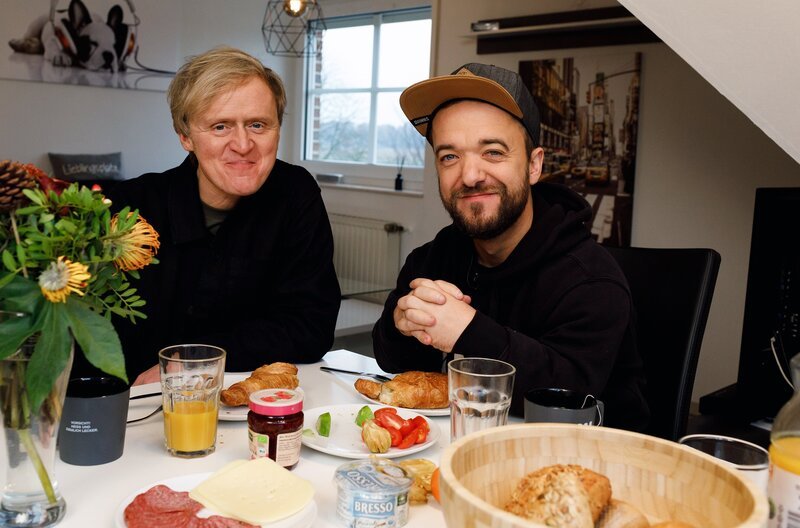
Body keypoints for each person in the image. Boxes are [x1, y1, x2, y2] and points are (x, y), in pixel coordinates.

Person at [372, 63, 648, 430]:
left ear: (534, 167)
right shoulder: (432, 258)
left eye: (493, 152)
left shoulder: (591, 278)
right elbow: (391, 361)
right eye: (449, 157)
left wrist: (469, 331)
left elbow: (568, 394)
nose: (469, 176)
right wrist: (401, 324)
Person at [105, 47, 341, 385]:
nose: (243, 144)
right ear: (185, 136)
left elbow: (311, 327)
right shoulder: (129, 208)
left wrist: (191, 362)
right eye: (220, 127)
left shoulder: (295, 193)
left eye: (258, 125)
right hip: (138, 409)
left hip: (250, 399)